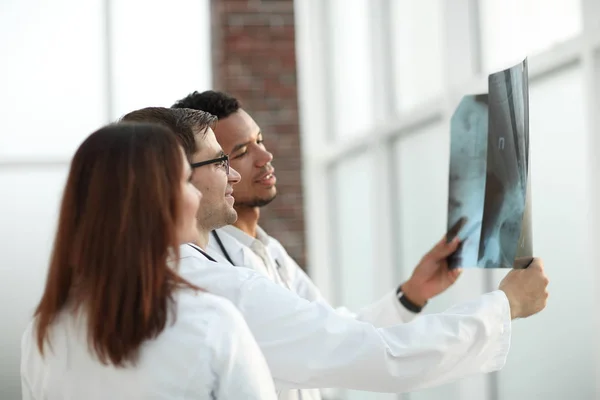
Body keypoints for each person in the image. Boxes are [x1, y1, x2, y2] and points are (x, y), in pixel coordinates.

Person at [120, 106, 549, 397]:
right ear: (174, 179)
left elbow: (331, 334)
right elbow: (372, 355)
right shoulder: (222, 290)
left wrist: (410, 295)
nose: (237, 171)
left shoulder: (113, 286)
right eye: (226, 158)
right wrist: (504, 305)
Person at [20, 122, 277, 400]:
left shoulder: (42, 335)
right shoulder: (210, 323)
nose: (196, 195)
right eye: (185, 181)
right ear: (153, 201)